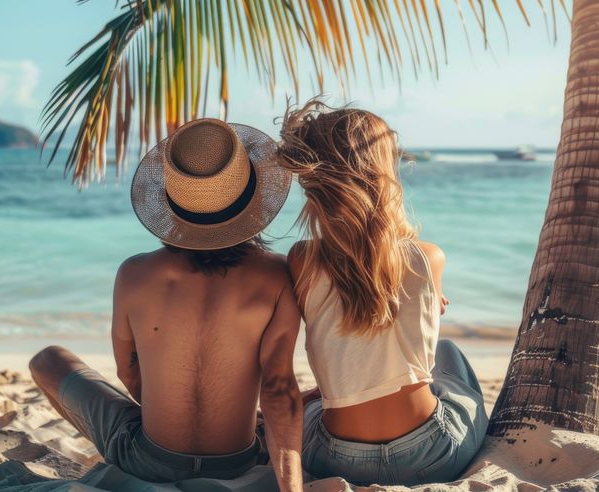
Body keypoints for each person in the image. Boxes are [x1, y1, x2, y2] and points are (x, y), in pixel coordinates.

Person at [29, 118, 305, 490]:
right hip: (237, 463)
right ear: (252, 204)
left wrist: (171, 416)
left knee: (46, 360)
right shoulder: (276, 275)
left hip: (148, 460)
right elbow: (277, 386)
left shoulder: (134, 274)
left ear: (173, 205)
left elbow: (129, 374)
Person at [276, 100, 487, 486]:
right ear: (382, 173)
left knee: (314, 406)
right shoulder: (428, 258)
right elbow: (412, 337)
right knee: (449, 356)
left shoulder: (300, 260)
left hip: (336, 459)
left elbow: (346, 334)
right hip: (433, 455)